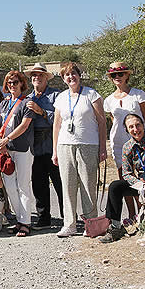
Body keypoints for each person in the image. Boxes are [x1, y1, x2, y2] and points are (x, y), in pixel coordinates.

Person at [53, 62, 107, 238]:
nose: (71, 77)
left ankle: (90, 224)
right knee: (67, 185)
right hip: (65, 145)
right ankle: (69, 224)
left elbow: (102, 122)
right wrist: (55, 150)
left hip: (88, 144)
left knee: (88, 184)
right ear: (63, 79)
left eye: (73, 74)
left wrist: (102, 148)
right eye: (67, 75)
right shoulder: (61, 97)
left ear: (79, 75)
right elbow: (56, 125)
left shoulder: (91, 94)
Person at [101, 113, 145, 242]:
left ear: (143, 125)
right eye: (131, 127)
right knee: (115, 186)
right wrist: (138, 183)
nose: (136, 130)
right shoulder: (127, 147)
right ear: (127, 130)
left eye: (138, 125)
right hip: (142, 183)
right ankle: (115, 227)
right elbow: (127, 173)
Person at [103, 62, 145, 223]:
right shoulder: (108, 100)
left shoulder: (138, 94)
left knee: (140, 176)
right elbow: (113, 120)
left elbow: (144, 117)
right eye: (114, 75)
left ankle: (143, 212)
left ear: (127, 75)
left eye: (120, 74)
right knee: (124, 177)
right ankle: (130, 214)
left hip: (137, 140)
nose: (117, 77)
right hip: (118, 142)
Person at [0, 70, 36, 237]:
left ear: (21, 84)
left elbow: (24, 126)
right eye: (9, 83)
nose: (12, 85)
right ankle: (19, 219)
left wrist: (6, 138)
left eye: (15, 82)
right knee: (9, 186)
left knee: (23, 185)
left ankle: (25, 222)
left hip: (23, 148)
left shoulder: (27, 102)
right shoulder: (3, 104)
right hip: (5, 150)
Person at [25, 62, 63, 229]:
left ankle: (68, 216)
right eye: (34, 75)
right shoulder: (27, 98)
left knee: (60, 182)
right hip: (35, 145)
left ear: (46, 78)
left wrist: (41, 111)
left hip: (53, 142)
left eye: (40, 75)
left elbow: (61, 118)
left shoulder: (57, 96)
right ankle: (43, 218)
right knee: (38, 183)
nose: (36, 77)